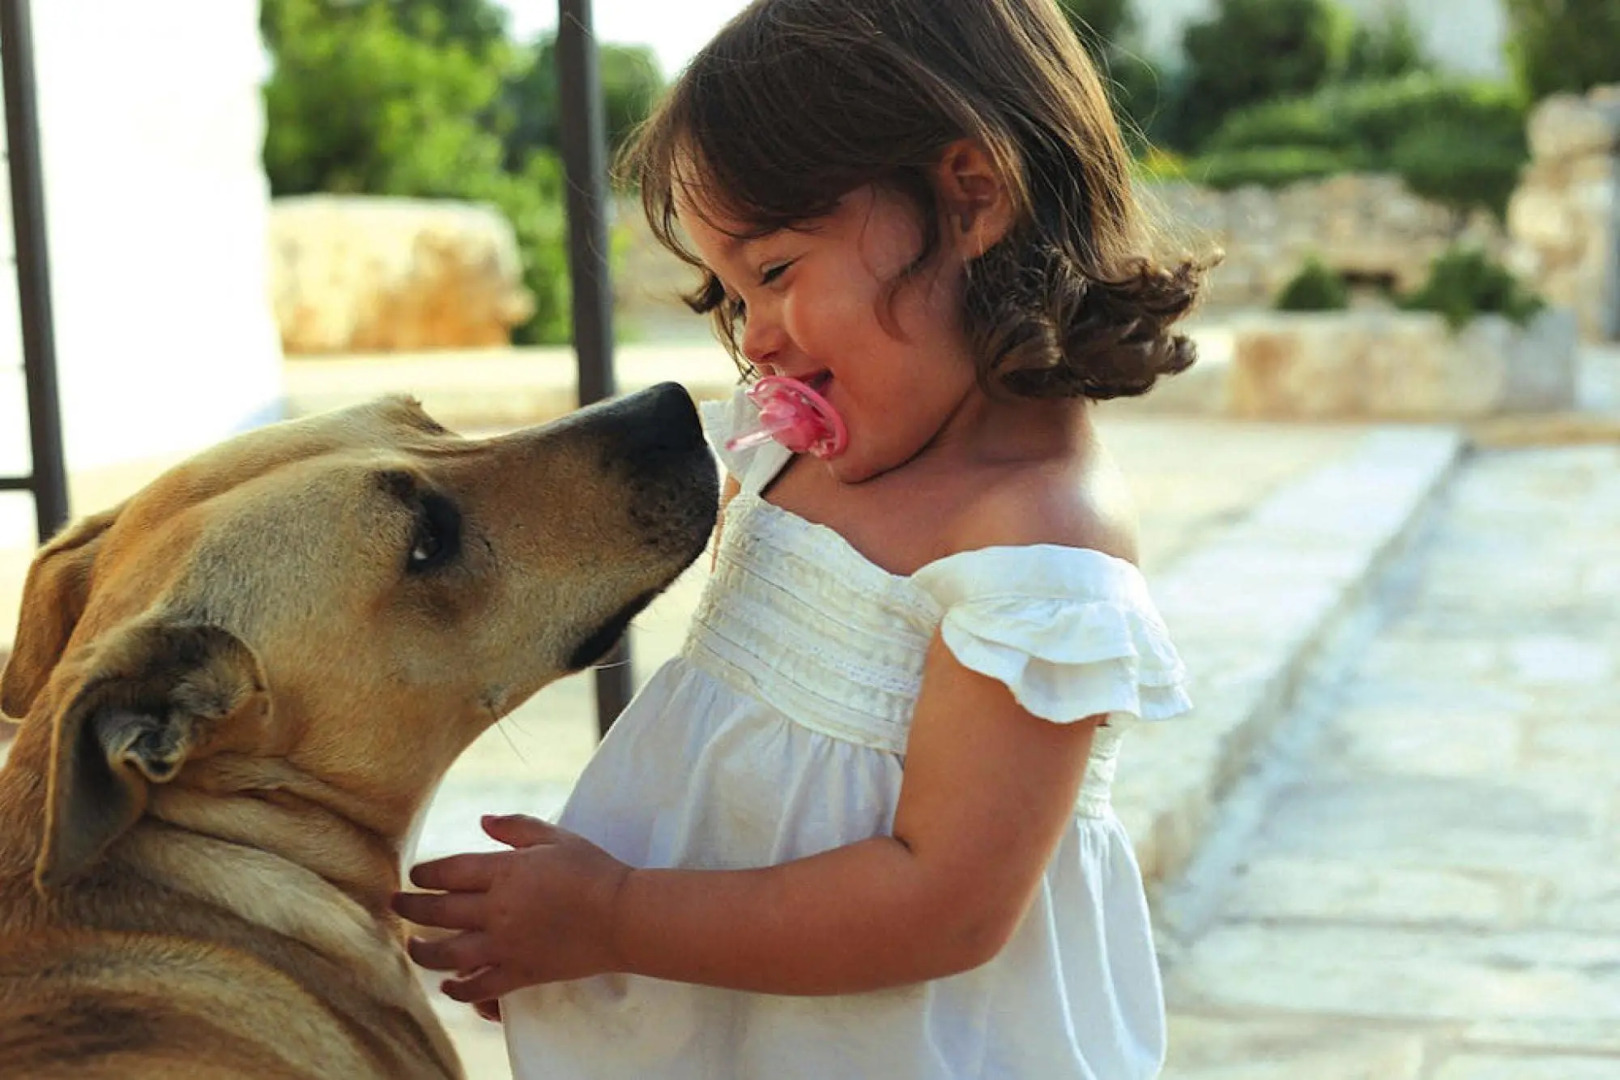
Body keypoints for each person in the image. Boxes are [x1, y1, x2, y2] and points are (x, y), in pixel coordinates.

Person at [393, 0, 1209, 1076]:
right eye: (733, 299)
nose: (760, 338)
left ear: (971, 197)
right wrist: (595, 951)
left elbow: (942, 908)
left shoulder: (1033, 550)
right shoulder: (821, 452)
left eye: (775, 272)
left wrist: (618, 919)